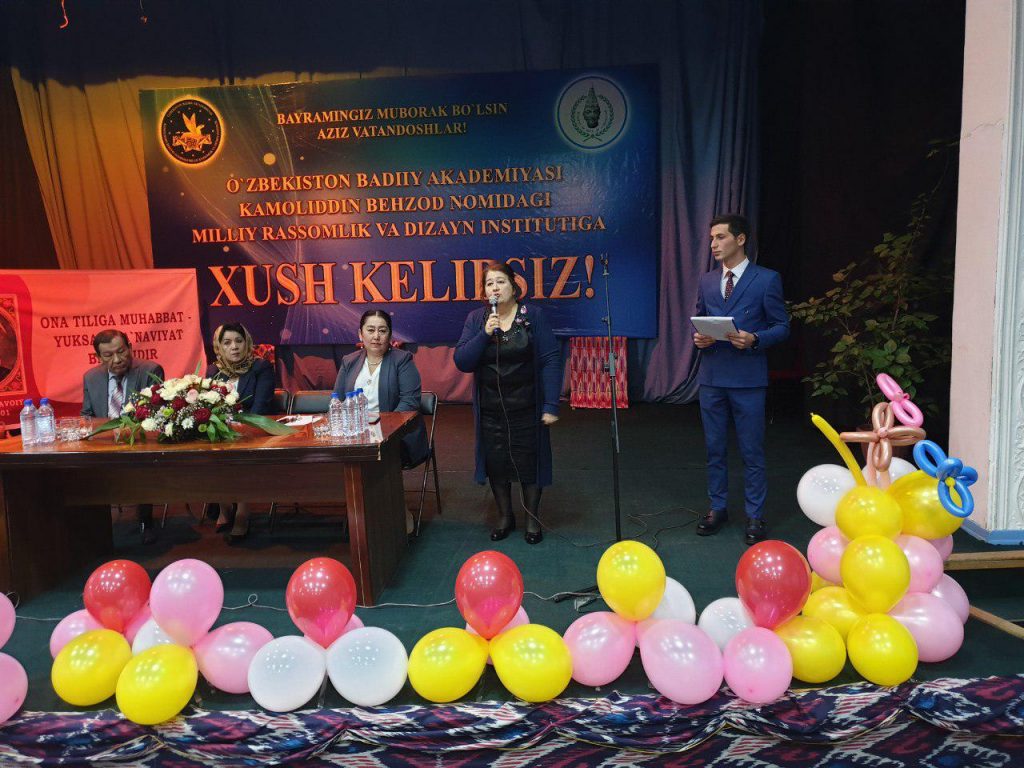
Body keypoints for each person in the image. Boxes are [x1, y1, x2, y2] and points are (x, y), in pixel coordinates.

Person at [692, 214, 790, 545]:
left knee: (752, 450)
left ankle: (755, 514)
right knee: (714, 448)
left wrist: (755, 338)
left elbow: (781, 327)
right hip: (712, 377)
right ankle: (717, 508)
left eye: (720, 237)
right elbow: (700, 319)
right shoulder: (707, 280)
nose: (714, 244)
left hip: (748, 379)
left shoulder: (766, 279)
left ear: (741, 239)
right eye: (711, 238)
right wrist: (699, 338)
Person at [454, 261, 561, 544]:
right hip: (491, 409)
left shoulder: (533, 316)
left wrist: (551, 404)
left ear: (514, 287)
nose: (495, 288)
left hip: (528, 406)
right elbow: (463, 361)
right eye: (489, 284)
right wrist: (484, 334)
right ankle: (505, 516)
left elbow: (550, 359)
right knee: (496, 463)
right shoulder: (477, 319)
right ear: (484, 292)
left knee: (530, 462)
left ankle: (532, 518)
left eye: (500, 282)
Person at [81, 329, 165, 544]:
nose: (117, 359)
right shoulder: (91, 378)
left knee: (141, 462)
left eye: (121, 351)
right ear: (98, 357)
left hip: (139, 443)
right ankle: (94, 525)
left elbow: (154, 415)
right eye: (108, 355)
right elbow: (87, 415)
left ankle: (145, 521)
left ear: (130, 348)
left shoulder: (149, 371)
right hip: (103, 445)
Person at [334, 310, 428, 469]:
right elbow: (339, 399)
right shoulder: (349, 361)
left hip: (394, 436)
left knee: (371, 462)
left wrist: (380, 429)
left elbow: (409, 403)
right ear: (360, 334)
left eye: (382, 331)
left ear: (389, 336)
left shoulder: (402, 360)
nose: (376, 336)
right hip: (356, 436)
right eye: (370, 330)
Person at [206, 323, 274, 543]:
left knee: (238, 454)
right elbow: (208, 407)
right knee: (210, 449)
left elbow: (260, 407)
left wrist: (240, 430)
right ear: (219, 347)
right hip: (222, 433)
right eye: (227, 343)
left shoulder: (260, 367)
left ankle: (243, 512)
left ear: (247, 343)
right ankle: (225, 506)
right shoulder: (213, 371)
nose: (234, 347)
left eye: (238, 341)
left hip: (253, 431)